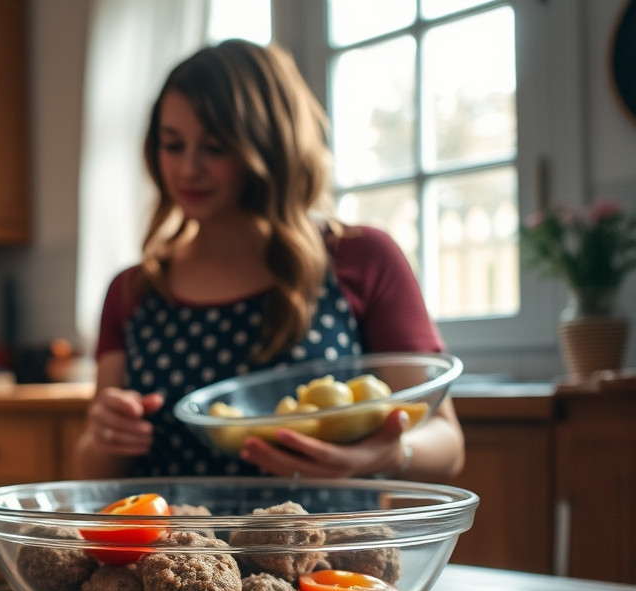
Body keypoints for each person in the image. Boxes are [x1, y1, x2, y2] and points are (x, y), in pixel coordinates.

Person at [76, 40, 465, 483]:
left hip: (325, 549)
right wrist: (105, 435)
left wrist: (389, 455)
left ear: (269, 146)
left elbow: (446, 441)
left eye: (215, 147)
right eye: (172, 144)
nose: (187, 169)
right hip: (178, 550)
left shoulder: (361, 258)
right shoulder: (133, 290)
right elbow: (91, 469)